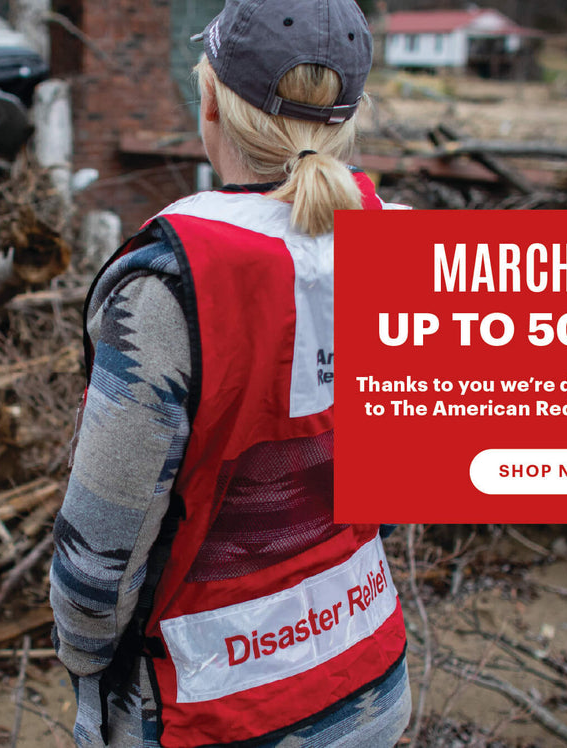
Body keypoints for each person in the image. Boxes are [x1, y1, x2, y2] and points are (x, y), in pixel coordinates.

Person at [49, 1, 411, 746]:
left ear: (208, 102)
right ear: (348, 117)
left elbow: (100, 558)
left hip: (209, 709)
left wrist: (85, 665)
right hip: (370, 675)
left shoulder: (167, 285)